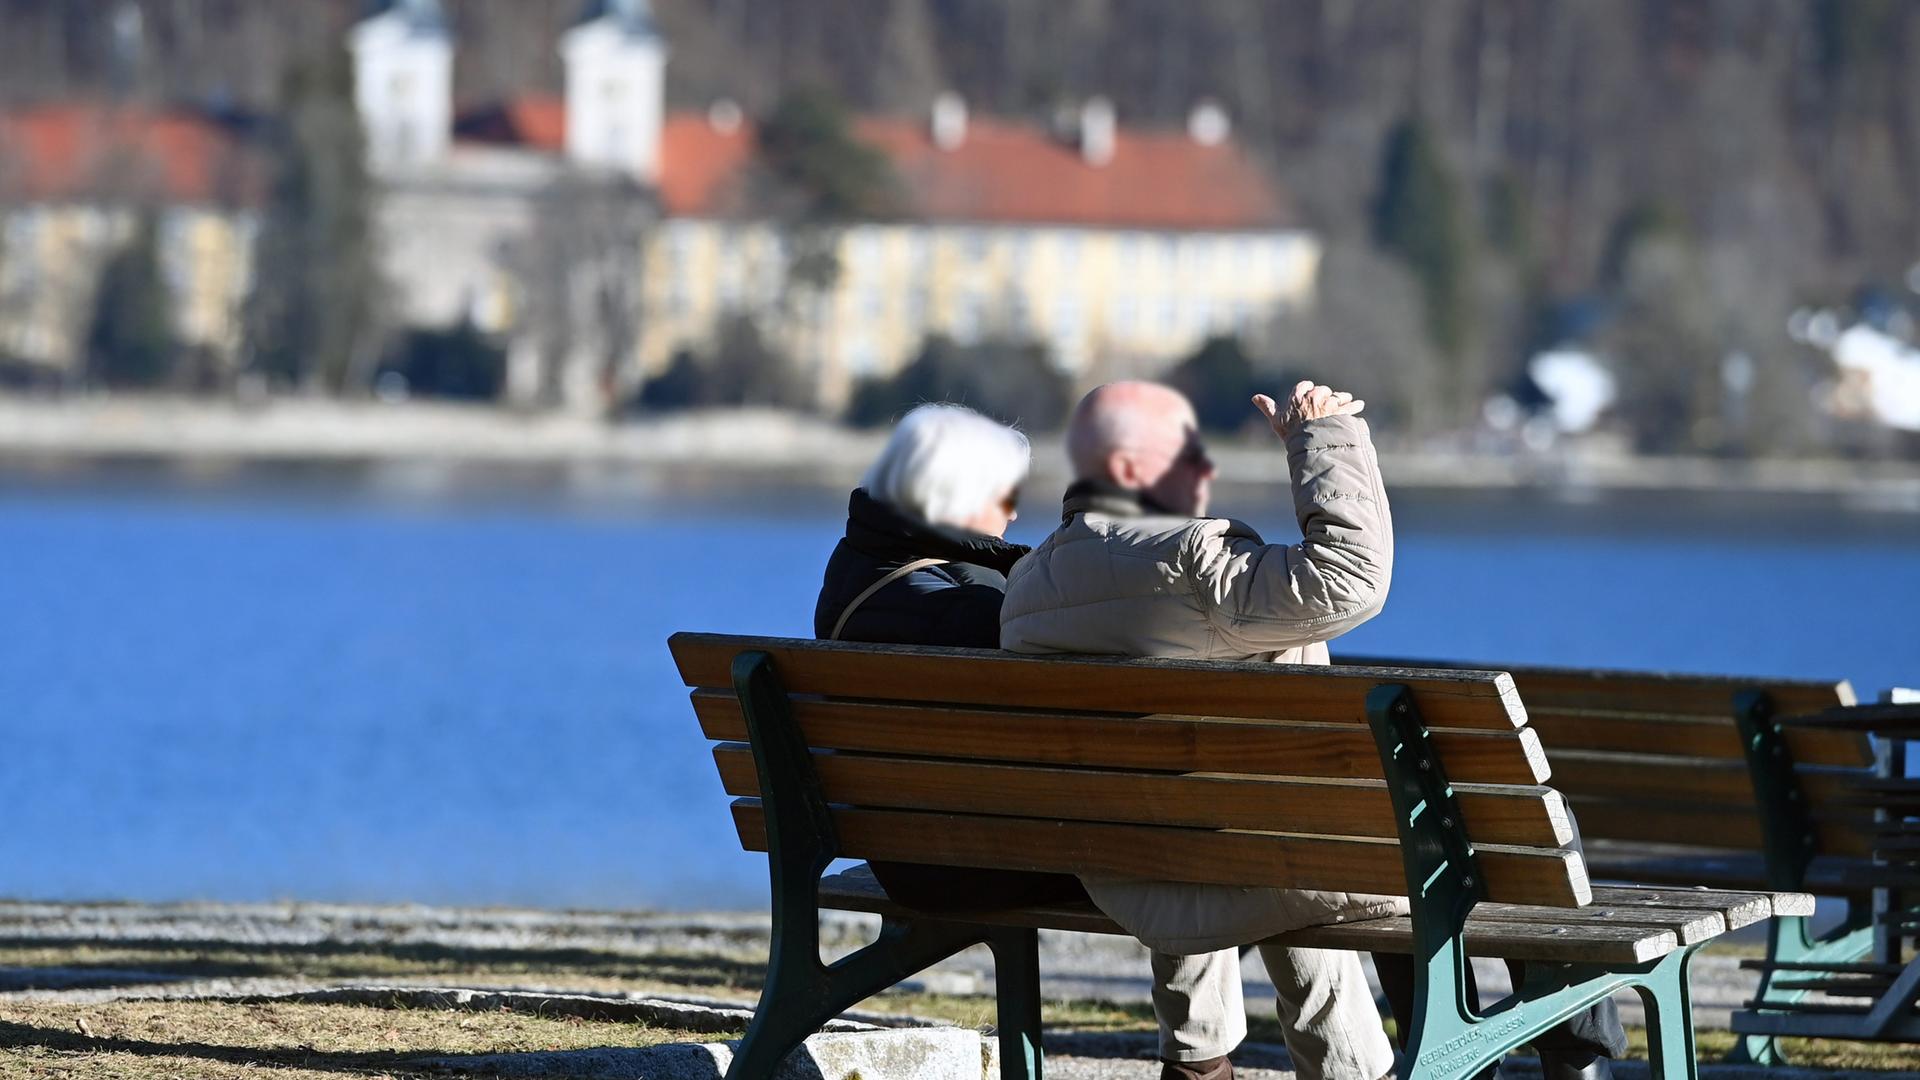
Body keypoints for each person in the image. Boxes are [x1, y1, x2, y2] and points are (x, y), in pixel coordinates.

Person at [1000, 381, 1623, 1080]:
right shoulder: (1191, 564)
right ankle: (1575, 1063)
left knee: (1330, 829)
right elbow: (1353, 577)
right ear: (1125, 469)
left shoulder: (1028, 590)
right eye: (1190, 453)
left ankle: (1387, 1057)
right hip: (1269, 859)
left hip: (1137, 867)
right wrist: (1320, 437)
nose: (1208, 471)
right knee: (1521, 825)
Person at [814, 402, 1082, 910]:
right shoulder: (972, 607)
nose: (1015, 511)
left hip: (898, 855)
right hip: (979, 862)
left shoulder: (855, 566)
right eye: (1006, 493)